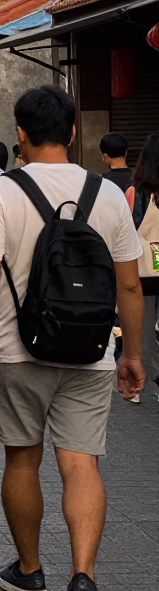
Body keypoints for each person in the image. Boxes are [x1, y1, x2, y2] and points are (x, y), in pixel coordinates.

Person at [0, 85, 144, 591]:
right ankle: (83, 577)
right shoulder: (106, 194)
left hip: (18, 351)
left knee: (22, 460)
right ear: (74, 132)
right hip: (90, 350)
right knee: (81, 463)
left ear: (19, 133)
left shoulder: (3, 192)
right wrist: (131, 351)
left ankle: (31, 571)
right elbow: (129, 287)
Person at [124, 132, 159, 403]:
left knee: (143, 329)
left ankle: (137, 385)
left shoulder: (135, 192)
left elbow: (126, 232)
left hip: (145, 271)